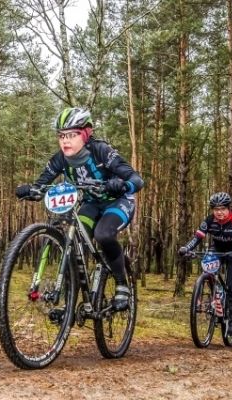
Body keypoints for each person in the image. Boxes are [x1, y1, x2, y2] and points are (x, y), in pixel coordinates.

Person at [15, 107, 145, 311]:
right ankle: (71, 300)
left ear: (85, 134)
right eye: (61, 136)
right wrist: (32, 190)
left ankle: (122, 284)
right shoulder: (59, 159)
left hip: (118, 202)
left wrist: (123, 185)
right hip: (91, 204)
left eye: (72, 135)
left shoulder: (101, 151)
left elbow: (136, 179)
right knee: (73, 240)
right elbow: (42, 183)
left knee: (103, 234)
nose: (65, 140)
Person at [178, 192, 232, 337]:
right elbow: (197, 238)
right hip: (216, 251)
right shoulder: (209, 221)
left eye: (222, 209)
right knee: (207, 270)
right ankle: (212, 291)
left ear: (229, 208)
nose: (219, 213)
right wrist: (187, 248)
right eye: (216, 209)